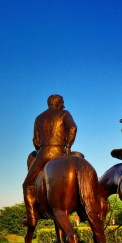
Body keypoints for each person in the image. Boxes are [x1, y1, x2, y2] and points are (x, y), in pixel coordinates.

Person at [22, 94, 77, 226]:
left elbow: (36, 140)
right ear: (57, 103)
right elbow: (73, 128)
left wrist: (41, 149)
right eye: (62, 102)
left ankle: (31, 217)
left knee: (28, 184)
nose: (64, 105)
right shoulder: (64, 114)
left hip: (44, 153)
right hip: (60, 151)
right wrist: (68, 146)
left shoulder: (39, 118)